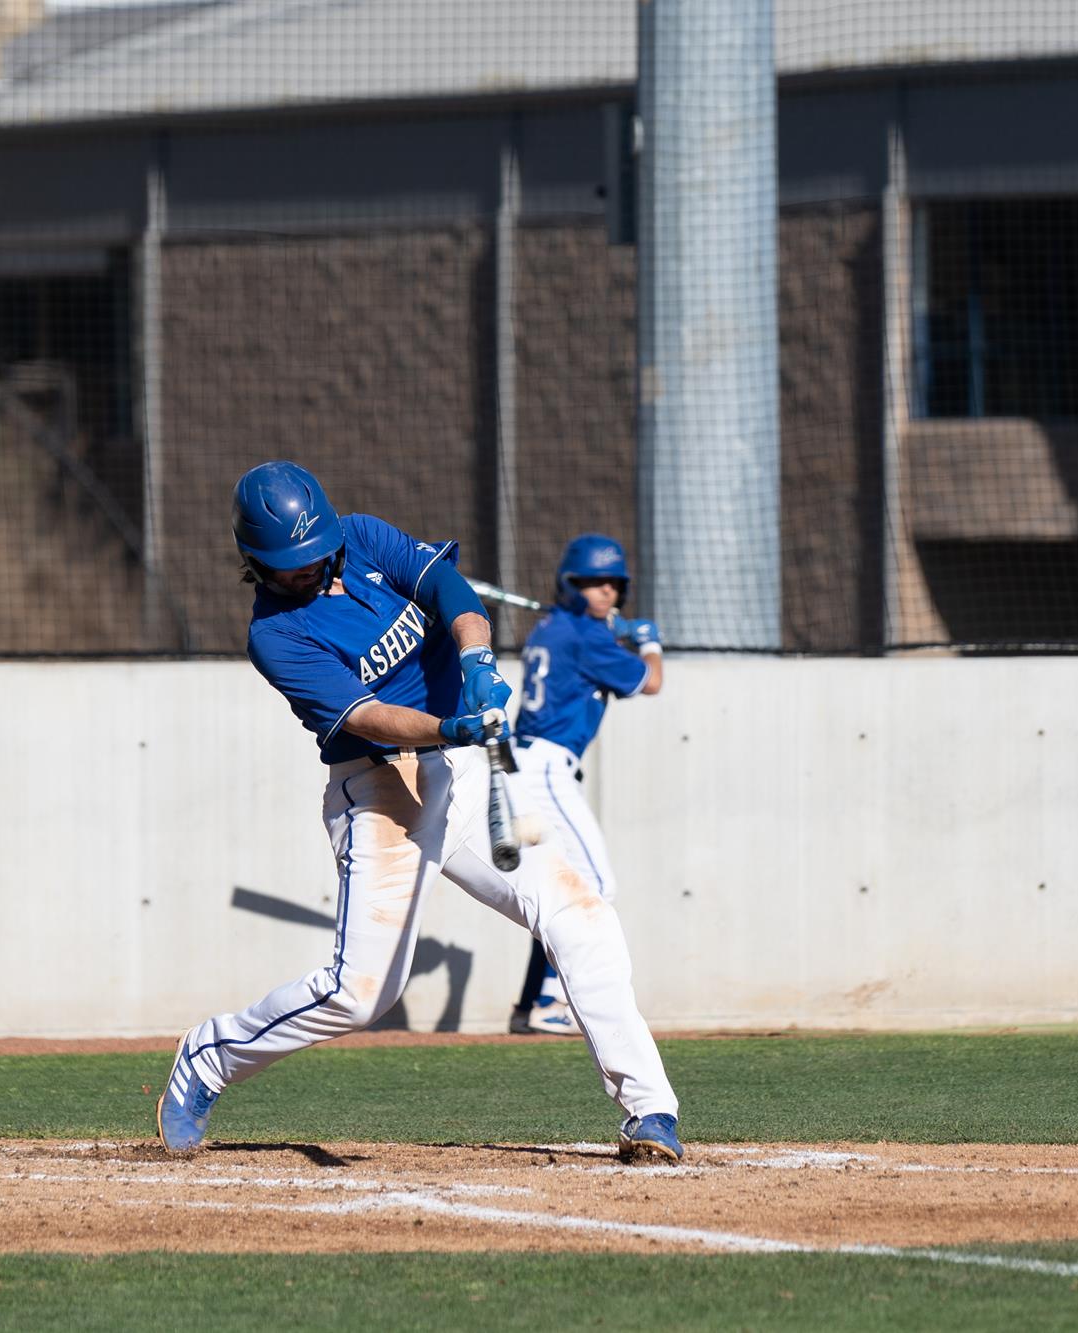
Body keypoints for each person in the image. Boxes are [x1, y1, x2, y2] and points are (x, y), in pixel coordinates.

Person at [156, 462, 683, 1162]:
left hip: (461, 774)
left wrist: (477, 659)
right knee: (361, 993)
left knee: (581, 916)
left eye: (316, 557)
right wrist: (450, 727)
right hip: (379, 792)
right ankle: (208, 1056)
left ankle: (649, 1109)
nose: (308, 572)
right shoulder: (276, 636)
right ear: (257, 563)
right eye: (290, 566)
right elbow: (370, 715)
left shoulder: (367, 539)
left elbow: (449, 590)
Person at [506, 534, 662, 1036]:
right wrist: (648, 642)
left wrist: (611, 634)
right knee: (594, 885)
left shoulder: (553, 629)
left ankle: (529, 1005)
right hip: (546, 768)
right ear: (570, 585)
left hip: (525, 764)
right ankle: (554, 1004)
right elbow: (651, 681)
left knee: (556, 889)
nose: (604, 593)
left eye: (612, 584)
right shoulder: (585, 636)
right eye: (592, 583)